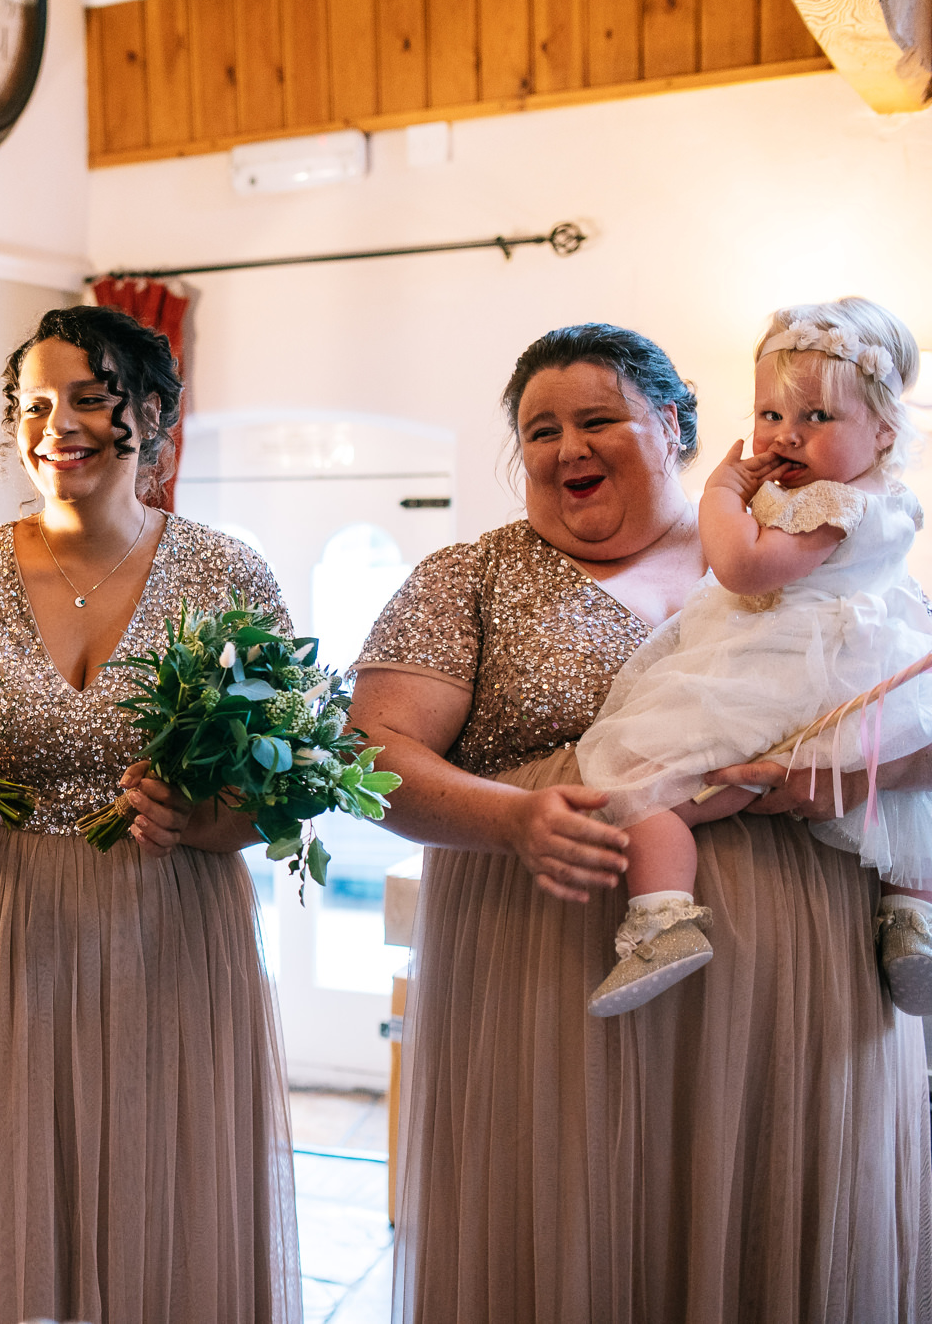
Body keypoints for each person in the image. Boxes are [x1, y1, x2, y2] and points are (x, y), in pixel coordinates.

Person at [350, 322, 932, 1323]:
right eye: (539, 429)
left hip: (797, 1000)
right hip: (551, 981)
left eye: (596, 419)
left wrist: (815, 784)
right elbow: (372, 758)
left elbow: (913, 725)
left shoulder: (825, 559)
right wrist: (514, 817)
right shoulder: (468, 578)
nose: (566, 447)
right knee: (573, 1235)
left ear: (672, 424)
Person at [0, 305, 301, 1324]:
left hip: (163, 928)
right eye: (32, 404)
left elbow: (286, 791)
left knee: (159, 1206)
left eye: (84, 398)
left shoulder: (227, 574)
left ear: (149, 414)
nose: (51, 425)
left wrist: (205, 821)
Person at [579, 298, 932, 1016]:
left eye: (816, 419)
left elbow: (741, 569)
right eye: (770, 416)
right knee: (902, 795)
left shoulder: (829, 504)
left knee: (648, 784)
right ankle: (910, 922)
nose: (786, 438)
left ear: (885, 431)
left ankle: (663, 914)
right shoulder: (887, 501)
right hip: (863, 676)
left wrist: (722, 495)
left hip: (786, 671)